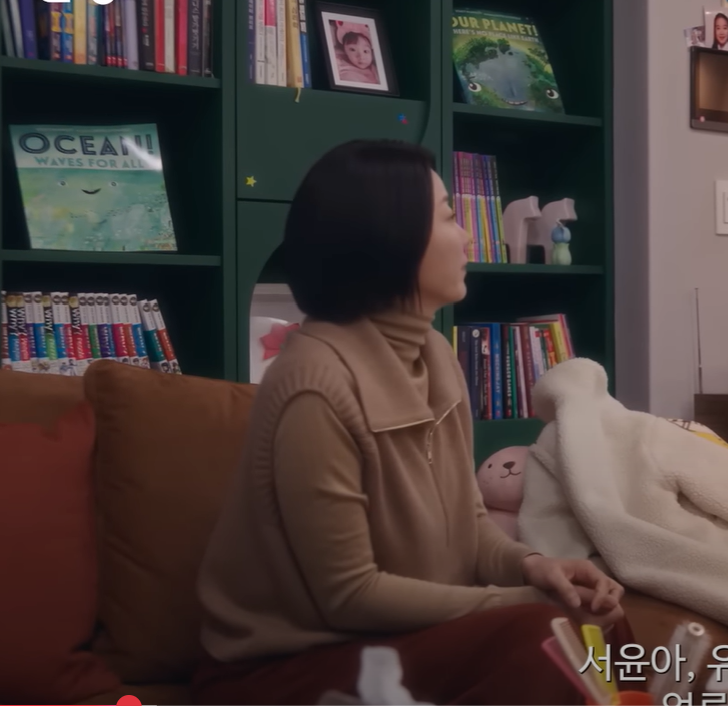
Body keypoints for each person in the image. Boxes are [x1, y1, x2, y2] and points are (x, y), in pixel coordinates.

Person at [193, 140, 630, 705]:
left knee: (607, 626)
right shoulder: (313, 384)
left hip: (396, 640)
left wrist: (536, 568)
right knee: (547, 636)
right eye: (449, 216)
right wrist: (527, 603)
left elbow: (470, 526)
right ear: (390, 239)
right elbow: (349, 595)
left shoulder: (435, 355)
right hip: (286, 666)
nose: (467, 237)